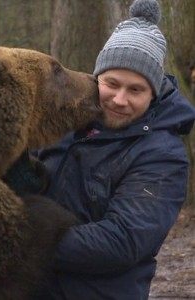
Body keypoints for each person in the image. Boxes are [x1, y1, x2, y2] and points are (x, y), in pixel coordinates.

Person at [26, 0, 195, 299]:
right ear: (96, 79)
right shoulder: (65, 121)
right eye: (111, 83)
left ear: (153, 94)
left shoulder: (163, 155)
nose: (119, 99)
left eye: (135, 90)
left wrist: (18, 239)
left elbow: (121, 241)